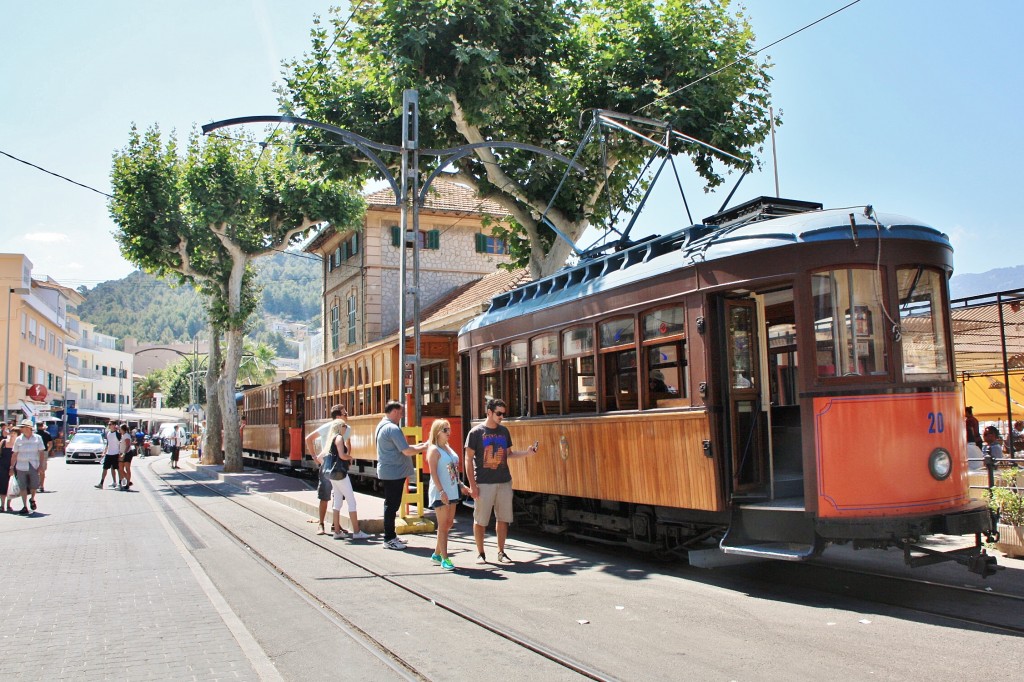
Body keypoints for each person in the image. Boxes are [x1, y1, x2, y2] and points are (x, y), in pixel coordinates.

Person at [464, 398, 538, 564]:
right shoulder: (475, 433)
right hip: (483, 483)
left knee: (503, 518)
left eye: (503, 414)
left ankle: (501, 552)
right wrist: (472, 485)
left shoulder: (504, 431)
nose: (501, 417)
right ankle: (481, 553)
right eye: (498, 413)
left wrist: (526, 453)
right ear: (489, 412)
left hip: (504, 481)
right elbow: (468, 459)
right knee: (480, 520)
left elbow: (509, 454)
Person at [375, 401, 428, 550]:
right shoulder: (392, 428)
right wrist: (424, 447)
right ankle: (389, 538)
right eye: (400, 412)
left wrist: (421, 446)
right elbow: (406, 451)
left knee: (391, 504)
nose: (402, 415)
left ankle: (391, 535)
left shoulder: (382, 425)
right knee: (391, 505)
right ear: (393, 412)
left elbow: (404, 449)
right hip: (393, 472)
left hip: (390, 470)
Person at [426, 419, 471, 571]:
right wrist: (441, 491)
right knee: (443, 525)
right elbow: (433, 473)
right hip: (441, 493)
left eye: (449, 429)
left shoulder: (448, 448)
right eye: (445, 430)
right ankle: (445, 558)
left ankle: (436, 554)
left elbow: (453, 470)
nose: (449, 433)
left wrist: (461, 485)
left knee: (449, 523)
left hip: (452, 491)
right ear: (437, 432)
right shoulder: (434, 450)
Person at [316, 417, 370, 541]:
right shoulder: (339, 438)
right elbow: (342, 455)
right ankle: (356, 531)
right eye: (344, 426)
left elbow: (320, 458)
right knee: (351, 501)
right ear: (340, 427)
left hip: (332, 476)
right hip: (341, 475)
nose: (346, 428)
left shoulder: (331, 439)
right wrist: (350, 457)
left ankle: (337, 532)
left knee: (337, 502)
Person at [305, 404, 346, 535]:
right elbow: (309, 438)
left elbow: (347, 445)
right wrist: (315, 457)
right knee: (325, 495)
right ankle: (321, 524)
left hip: (339, 467)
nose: (347, 416)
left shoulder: (345, 428)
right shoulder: (327, 427)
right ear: (338, 416)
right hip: (327, 466)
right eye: (345, 414)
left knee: (338, 496)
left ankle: (336, 524)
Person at [11, 419, 46, 514]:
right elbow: (14, 454)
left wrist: (41, 465)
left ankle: (32, 498)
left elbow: (41, 452)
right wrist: (11, 467)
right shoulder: (19, 439)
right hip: (21, 465)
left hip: (33, 465)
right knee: (22, 486)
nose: (22, 429)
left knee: (34, 485)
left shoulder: (37, 438)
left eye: (23, 427)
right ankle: (25, 506)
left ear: (29, 428)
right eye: (21, 427)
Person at [96, 421, 122, 489]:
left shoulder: (117, 434)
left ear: (114, 425)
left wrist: (120, 453)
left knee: (117, 469)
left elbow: (121, 443)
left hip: (116, 453)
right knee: (105, 468)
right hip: (109, 454)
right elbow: (108, 443)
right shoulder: (108, 433)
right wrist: (104, 452)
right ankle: (101, 483)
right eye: (108, 424)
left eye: (110, 424)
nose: (109, 425)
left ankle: (120, 483)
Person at [1, 422, 15, 512]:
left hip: (13, 466)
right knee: (3, 484)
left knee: (11, 486)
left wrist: (12, 467)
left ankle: (9, 505)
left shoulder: (18, 444)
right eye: (12, 432)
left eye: (15, 433)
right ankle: (2, 505)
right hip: (2, 465)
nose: (13, 435)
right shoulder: (3, 442)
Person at [36, 422, 52, 493]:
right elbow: (50, 444)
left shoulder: (34, 434)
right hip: (44, 452)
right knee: (42, 470)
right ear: (42, 426)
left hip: (35, 452)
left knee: (34, 470)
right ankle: (41, 486)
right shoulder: (47, 434)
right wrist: (47, 451)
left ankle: (35, 486)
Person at [118, 424, 135, 489]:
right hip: (122, 453)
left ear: (123, 429)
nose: (119, 429)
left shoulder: (126, 436)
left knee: (127, 468)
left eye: (120, 428)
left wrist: (124, 454)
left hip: (127, 454)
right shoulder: (122, 435)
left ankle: (127, 484)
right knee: (120, 469)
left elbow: (128, 445)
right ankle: (128, 480)